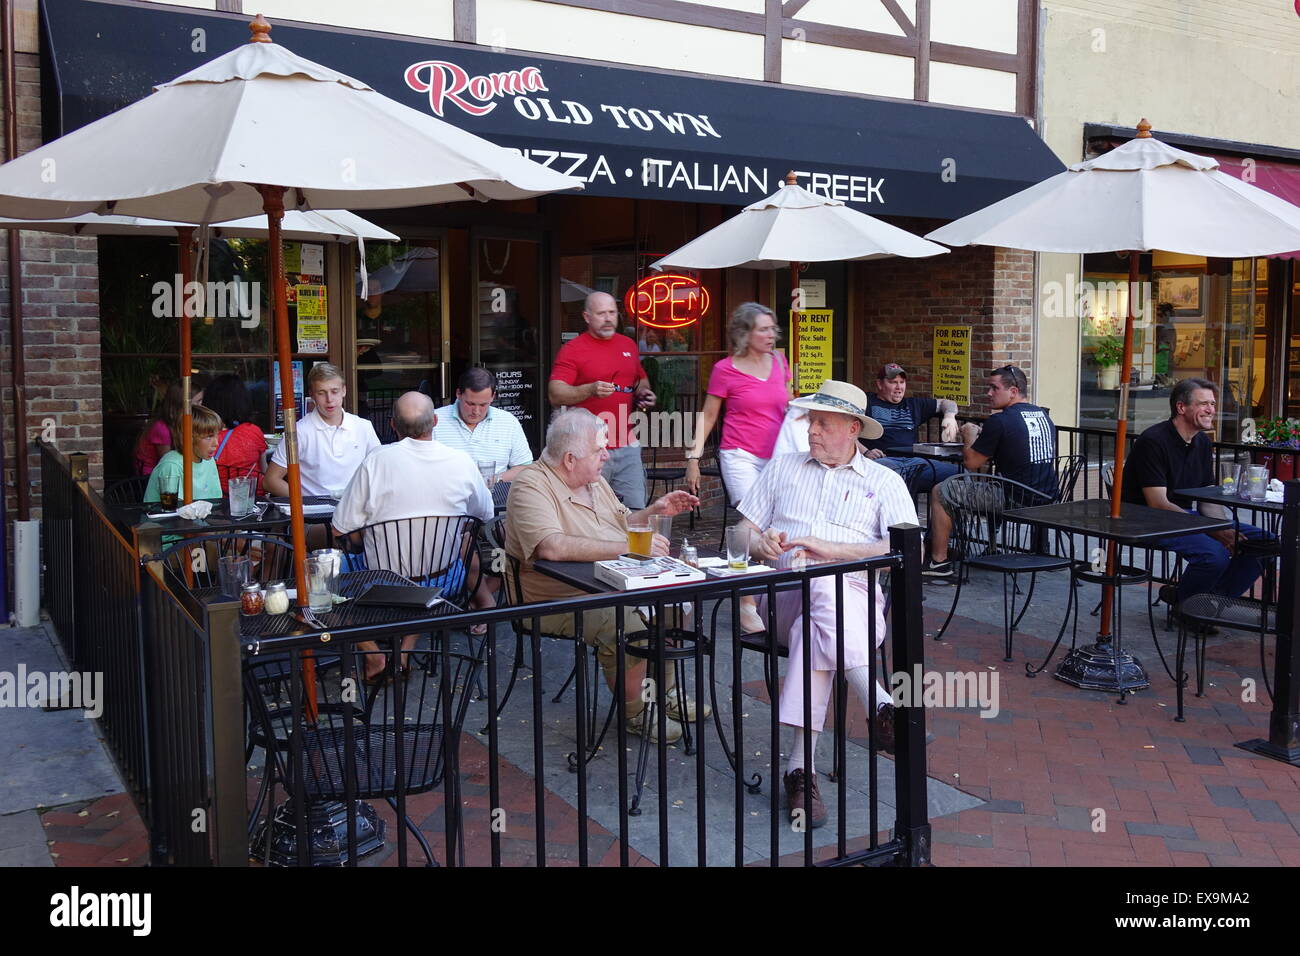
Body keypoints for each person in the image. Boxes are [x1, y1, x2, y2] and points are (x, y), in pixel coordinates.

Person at [735, 380, 916, 828]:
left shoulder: (884, 480)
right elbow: (738, 534)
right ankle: (877, 703)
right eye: (811, 421)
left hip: (855, 602)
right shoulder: (783, 468)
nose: (811, 431)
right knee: (817, 585)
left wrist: (835, 553)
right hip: (783, 597)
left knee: (819, 611)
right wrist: (760, 543)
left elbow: (905, 549)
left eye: (823, 423)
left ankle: (799, 769)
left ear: (853, 428)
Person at [505, 408, 699, 742]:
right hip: (552, 598)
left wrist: (654, 511)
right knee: (623, 618)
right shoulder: (530, 486)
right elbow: (551, 547)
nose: (606, 456)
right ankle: (636, 711)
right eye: (599, 450)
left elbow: (623, 525)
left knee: (674, 600)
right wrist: (627, 547)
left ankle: (662, 692)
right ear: (569, 459)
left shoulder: (595, 481)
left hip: (605, 583)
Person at [332, 392, 494, 680]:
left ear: (393, 425)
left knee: (322, 575)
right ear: (435, 421)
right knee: (443, 555)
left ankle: (373, 653)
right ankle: (404, 651)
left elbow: (339, 530)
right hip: (443, 580)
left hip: (381, 581)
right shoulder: (461, 461)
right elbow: (484, 514)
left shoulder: (376, 461)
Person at [683, 302, 791, 632]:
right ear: (745, 334)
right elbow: (709, 417)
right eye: (763, 329)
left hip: (777, 457)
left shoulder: (780, 362)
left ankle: (773, 592)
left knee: (777, 522)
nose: (771, 334)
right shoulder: (725, 370)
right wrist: (693, 460)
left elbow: (787, 408)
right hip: (739, 454)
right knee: (752, 521)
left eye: (773, 328)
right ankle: (746, 601)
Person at [1122, 378, 1266, 607]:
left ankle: (1209, 602)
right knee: (1213, 556)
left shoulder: (1202, 442)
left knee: (1263, 542)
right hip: (1147, 520)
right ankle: (1190, 609)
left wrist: (1222, 528)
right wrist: (1214, 532)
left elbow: (1207, 497)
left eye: (1212, 403)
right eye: (1203, 404)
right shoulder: (1153, 441)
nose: (1211, 410)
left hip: (1184, 517)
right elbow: (1158, 504)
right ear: (1181, 407)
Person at [924, 366, 1057, 577]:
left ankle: (938, 562)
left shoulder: (1000, 421)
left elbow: (971, 462)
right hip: (1048, 496)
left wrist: (969, 434)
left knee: (941, 491)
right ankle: (992, 547)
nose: (988, 393)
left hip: (1016, 500)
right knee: (993, 483)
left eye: (994, 388)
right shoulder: (1042, 415)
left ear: (1013, 391)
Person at [548, 292, 655, 509]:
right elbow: (555, 393)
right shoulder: (573, 349)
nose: (608, 318)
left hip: (627, 443)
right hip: (587, 447)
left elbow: (640, 380)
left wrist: (644, 394)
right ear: (587, 317)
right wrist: (589, 389)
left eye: (612, 312)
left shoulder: (628, 345)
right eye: (601, 313)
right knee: (588, 511)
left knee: (635, 511)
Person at [265, 362, 381, 498]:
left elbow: (379, 470)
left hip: (355, 510)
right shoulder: (298, 432)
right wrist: (305, 502)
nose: (329, 399)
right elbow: (270, 481)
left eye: (334, 391)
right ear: (312, 395)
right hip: (315, 514)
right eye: (321, 393)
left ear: (344, 390)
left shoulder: (363, 426)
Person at [863, 363, 961, 492]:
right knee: (892, 481)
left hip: (916, 463)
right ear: (880, 384)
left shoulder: (913, 404)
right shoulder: (866, 402)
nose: (899, 387)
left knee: (962, 474)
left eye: (902, 382)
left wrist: (949, 416)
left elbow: (947, 402)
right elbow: (847, 432)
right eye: (893, 382)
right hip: (884, 462)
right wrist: (865, 451)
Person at [433, 367, 534, 482]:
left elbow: (524, 467)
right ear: (458, 394)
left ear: (493, 397)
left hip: (496, 494)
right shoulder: (435, 421)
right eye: (470, 404)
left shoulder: (508, 422)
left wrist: (494, 479)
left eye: (483, 405)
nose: (476, 411)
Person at [143, 404, 224, 503]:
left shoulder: (209, 461)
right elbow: (174, 509)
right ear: (189, 437)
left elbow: (215, 500)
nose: (216, 443)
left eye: (217, 435)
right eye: (208, 437)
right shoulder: (171, 466)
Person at [201, 373, 267, 494]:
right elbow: (264, 470)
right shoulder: (253, 431)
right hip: (254, 498)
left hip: (216, 497)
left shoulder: (204, 437)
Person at [133, 381, 184, 477]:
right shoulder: (162, 428)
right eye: (197, 402)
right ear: (180, 404)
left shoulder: (179, 422)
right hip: (150, 477)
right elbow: (167, 462)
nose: (201, 406)